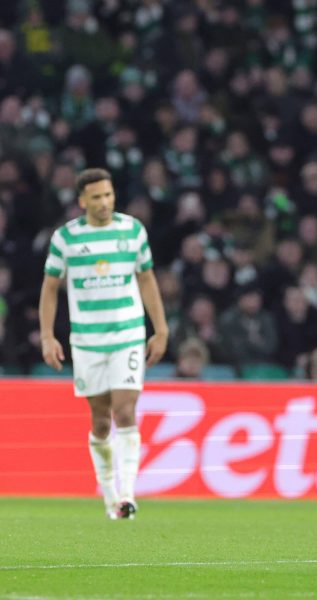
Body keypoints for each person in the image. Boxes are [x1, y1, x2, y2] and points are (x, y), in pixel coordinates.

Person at [39, 168, 169, 520]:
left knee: (124, 411)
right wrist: (48, 336)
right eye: (96, 197)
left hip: (127, 334)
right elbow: (50, 288)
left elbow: (147, 279)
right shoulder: (65, 238)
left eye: (108, 195)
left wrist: (160, 329)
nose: (104, 202)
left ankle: (127, 495)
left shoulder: (132, 231)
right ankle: (110, 495)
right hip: (87, 341)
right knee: (100, 421)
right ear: (82, 201)